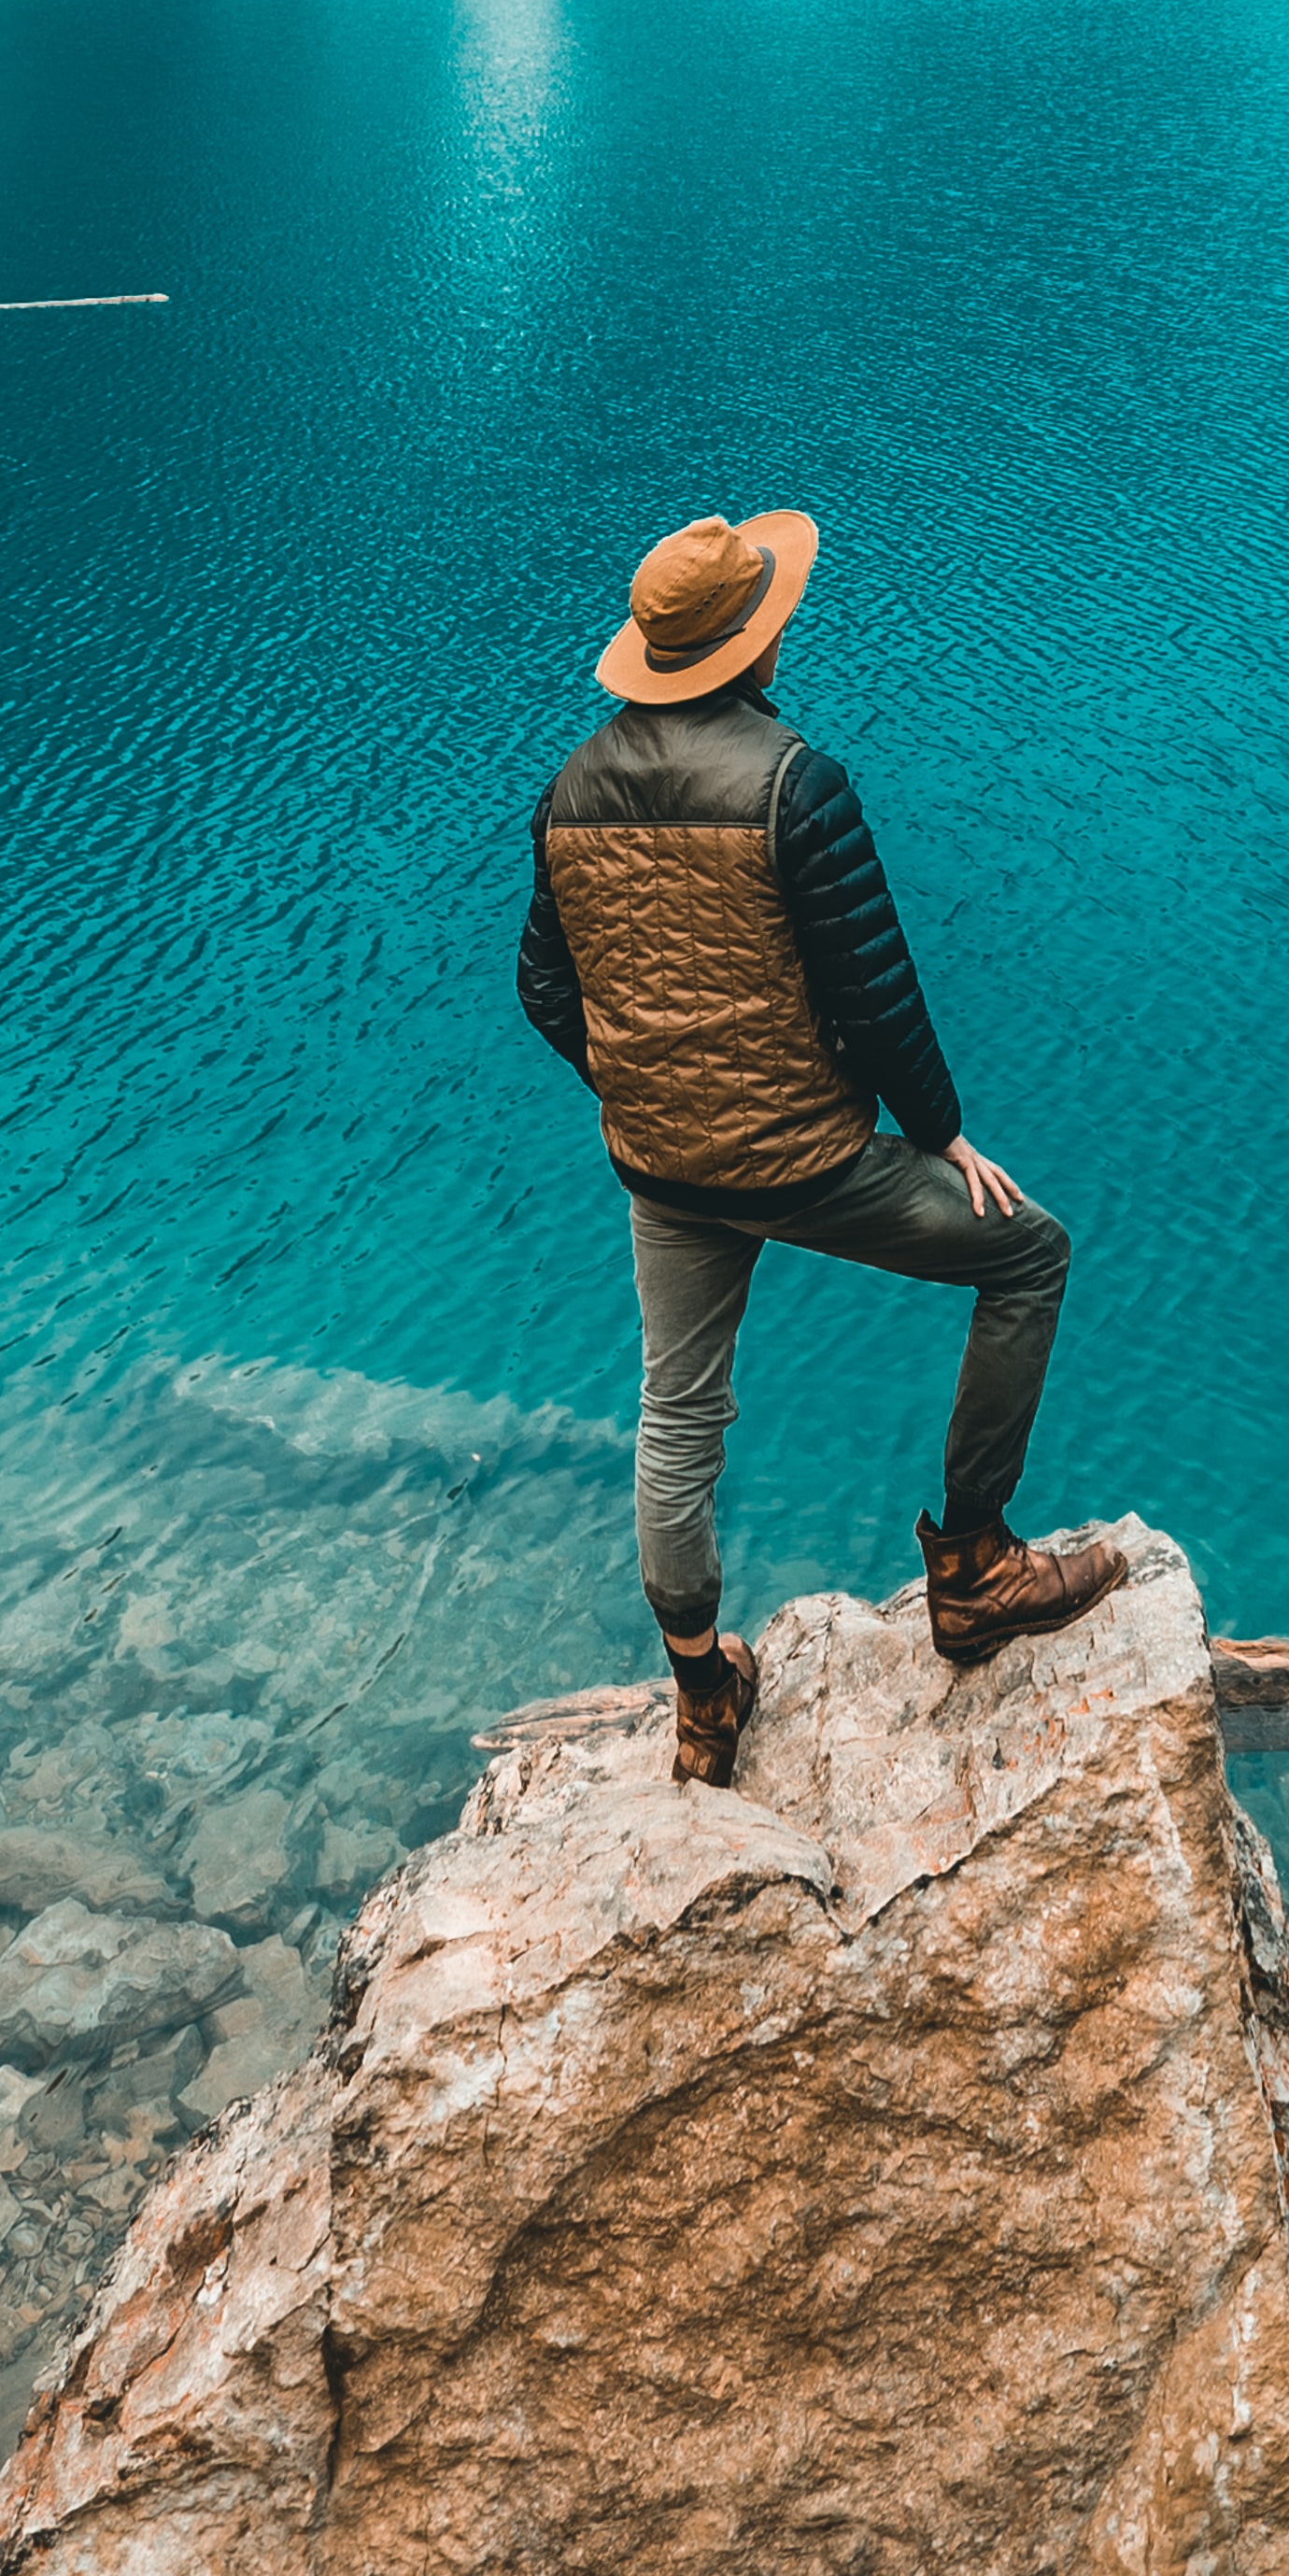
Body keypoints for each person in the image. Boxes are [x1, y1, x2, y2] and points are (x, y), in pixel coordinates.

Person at [517, 503, 1125, 1784]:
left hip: (662, 1167)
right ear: (753, 646)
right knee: (1029, 1258)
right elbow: (874, 992)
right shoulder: (794, 781)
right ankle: (972, 1569)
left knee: (676, 1414)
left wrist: (638, 1084)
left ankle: (701, 1696)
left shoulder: (569, 789)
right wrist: (943, 1135)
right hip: (807, 1164)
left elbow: (543, 988)